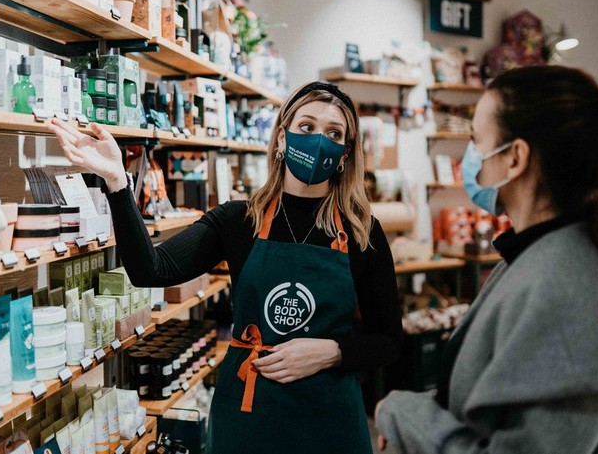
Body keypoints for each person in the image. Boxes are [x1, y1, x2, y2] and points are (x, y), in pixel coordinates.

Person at [50, 81, 403, 454]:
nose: (319, 141)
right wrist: (117, 181)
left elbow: (389, 342)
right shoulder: (239, 221)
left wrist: (331, 352)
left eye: (334, 134)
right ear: (282, 139)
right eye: (307, 127)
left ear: (345, 155)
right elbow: (152, 270)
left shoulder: (362, 231)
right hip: (250, 415)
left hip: (329, 419)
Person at [375, 65, 598, 454]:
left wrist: (405, 415)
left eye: (476, 140)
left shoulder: (566, 288)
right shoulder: (536, 257)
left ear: (515, 157)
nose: (472, 157)